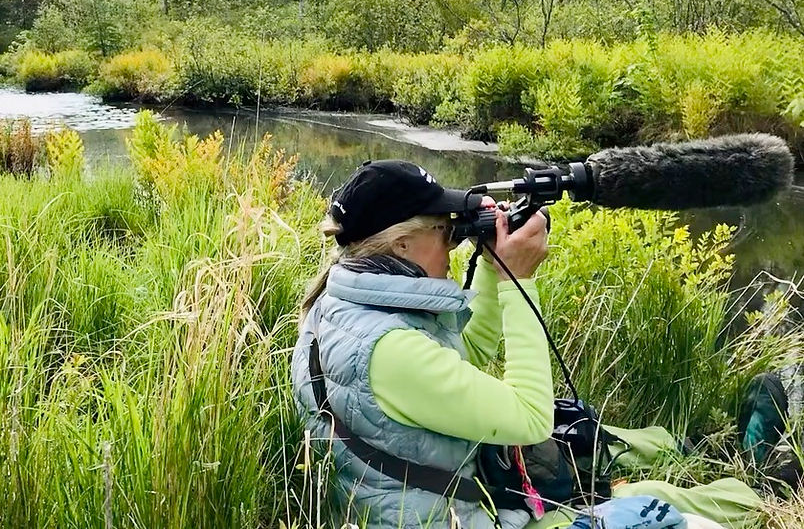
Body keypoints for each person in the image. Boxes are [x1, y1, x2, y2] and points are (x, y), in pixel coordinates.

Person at [290, 160, 766, 529]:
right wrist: (521, 282)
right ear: (400, 246)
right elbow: (530, 416)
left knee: (638, 444)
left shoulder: (336, 305)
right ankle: (766, 488)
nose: (455, 240)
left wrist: (497, 276)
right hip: (455, 515)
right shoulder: (388, 348)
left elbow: (464, 359)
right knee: (674, 502)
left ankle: (706, 449)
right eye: (445, 229)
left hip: (420, 501)